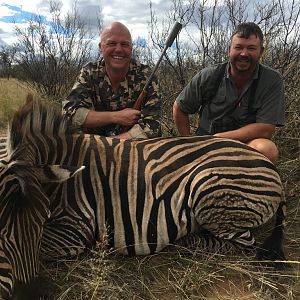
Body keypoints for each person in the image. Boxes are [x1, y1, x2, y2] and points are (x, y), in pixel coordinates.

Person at [173, 22, 285, 163]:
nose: (244, 53)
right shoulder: (209, 75)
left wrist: (220, 137)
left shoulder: (271, 79)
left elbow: (265, 129)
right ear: (229, 50)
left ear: (261, 52)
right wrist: (189, 143)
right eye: (238, 47)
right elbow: (179, 107)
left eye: (251, 48)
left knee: (267, 149)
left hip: (245, 145)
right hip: (206, 145)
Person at [63, 21, 161, 139]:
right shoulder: (89, 72)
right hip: (92, 149)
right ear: (101, 47)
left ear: (131, 48)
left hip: (132, 149)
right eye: (111, 43)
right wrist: (116, 117)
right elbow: (70, 113)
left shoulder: (147, 76)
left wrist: (110, 145)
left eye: (125, 44)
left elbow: (152, 126)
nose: (119, 49)